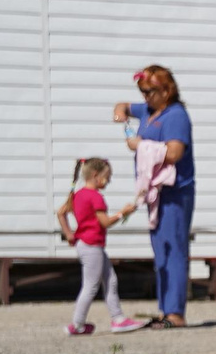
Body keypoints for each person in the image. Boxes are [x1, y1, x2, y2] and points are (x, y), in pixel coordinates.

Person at [113, 65, 196, 329]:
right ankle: (166, 309)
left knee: (174, 250)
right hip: (156, 195)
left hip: (174, 193)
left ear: (165, 91)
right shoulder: (149, 110)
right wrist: (120, 114)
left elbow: (174, 153)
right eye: (143, 92)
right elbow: (123, 106)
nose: (145, 97)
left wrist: (141, 146)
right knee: (161, 251)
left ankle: (175, 313)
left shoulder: (175, 116)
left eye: (149, 91)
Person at [55, 157, 141, 336]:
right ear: (95, 175)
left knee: (110, 280)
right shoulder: (95, 197)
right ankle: (77, 324)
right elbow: (105, 222)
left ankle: (118, 319)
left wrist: (69, 234)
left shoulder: (78, 195)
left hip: (87, 245)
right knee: (91, 286)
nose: (108, 181)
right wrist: (122, 213)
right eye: (107, 177)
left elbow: (61, 213)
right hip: (92, 245)